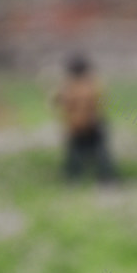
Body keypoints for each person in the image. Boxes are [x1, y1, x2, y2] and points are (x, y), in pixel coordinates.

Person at [52, 53, 117, 182]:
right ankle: (105, 179)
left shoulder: (68, 86)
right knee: (99, 155)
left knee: (80, 155)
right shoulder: (94, 83)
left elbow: (56, 102)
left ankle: (75, 179)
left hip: (81, 125)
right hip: (91, 124)